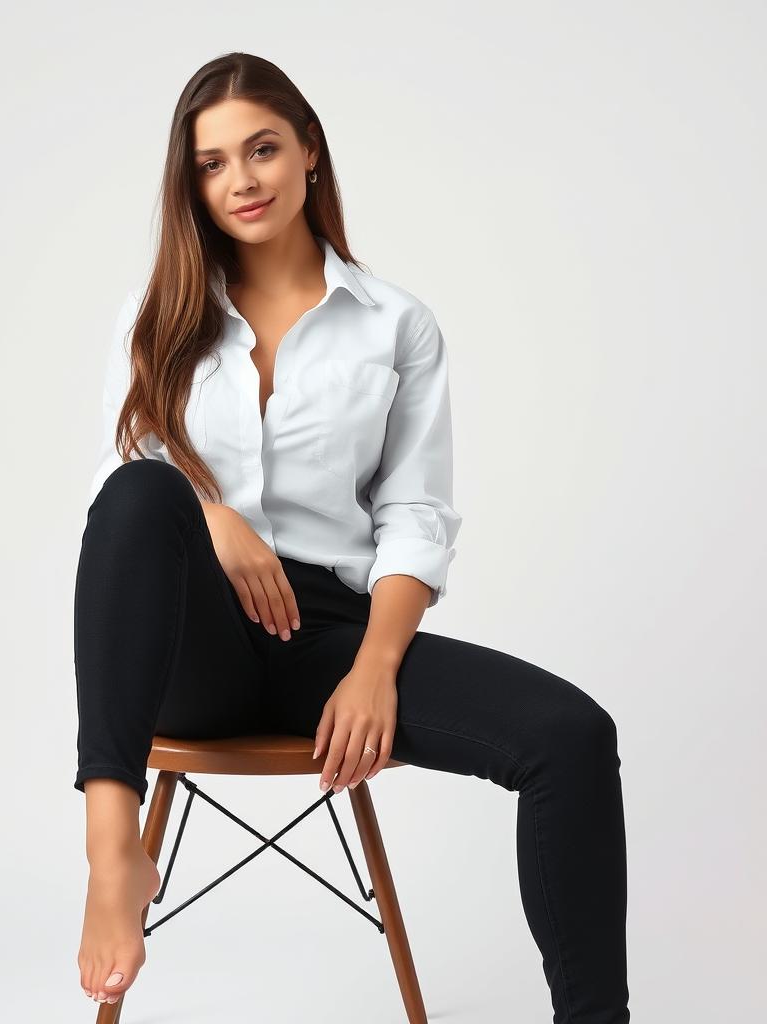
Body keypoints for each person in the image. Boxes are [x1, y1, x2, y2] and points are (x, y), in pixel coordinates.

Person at [73, 52, 629, 1023]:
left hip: (325, 635)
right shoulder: (158, 315)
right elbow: (119, 491)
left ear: (308, 154)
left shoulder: (394, 324)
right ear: (189, 184)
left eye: (261, 149)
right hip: (189, 643)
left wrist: (375, 665)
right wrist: (217, 521)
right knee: (139, 496)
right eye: (211, 164)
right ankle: (112, 849)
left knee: (570, 737)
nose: (240, 180)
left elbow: (415, 513)